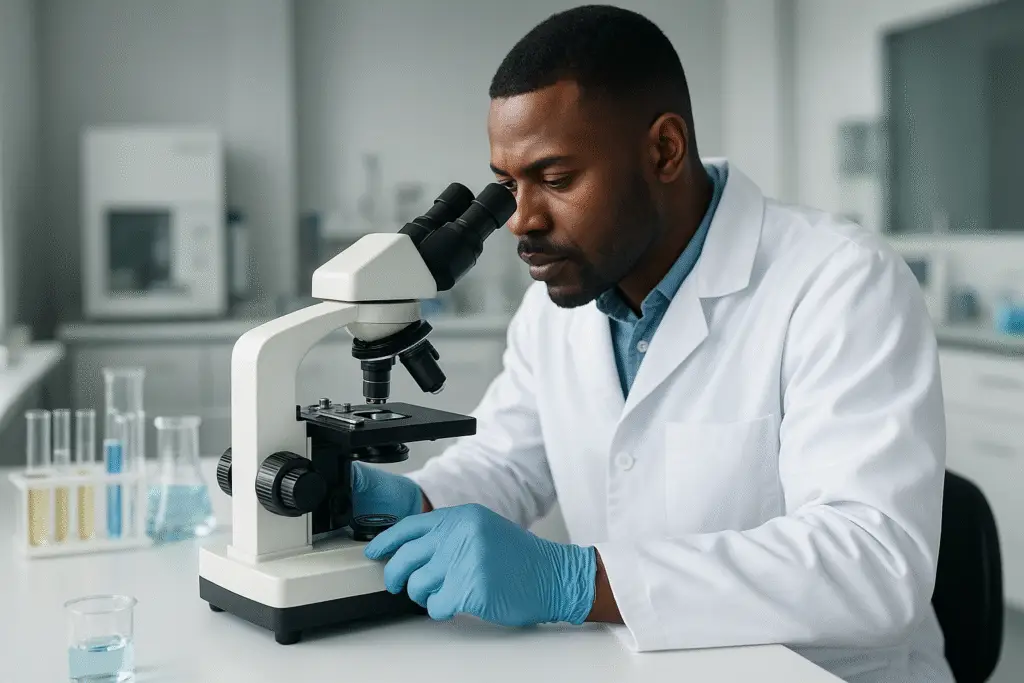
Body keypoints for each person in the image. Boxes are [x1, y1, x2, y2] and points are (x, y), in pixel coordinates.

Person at [351, 5, 952, 683]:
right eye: (507, 185)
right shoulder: (557, 303)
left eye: (555, 179)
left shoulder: (840, 282)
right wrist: (410, 501)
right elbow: (507, 462)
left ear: (664, 150)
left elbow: (872, 563)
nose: (522, 219)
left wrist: (579, 578)